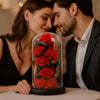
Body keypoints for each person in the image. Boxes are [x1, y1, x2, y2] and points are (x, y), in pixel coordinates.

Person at [0, 0, 54, 94]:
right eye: (45, 18)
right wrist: (12, 88)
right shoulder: (1, 44)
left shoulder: (44, 52)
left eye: (52, 20)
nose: (50, 24)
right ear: (27, 15)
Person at [53, 0, 100, 91]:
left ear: (73, 9)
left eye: (58, 15)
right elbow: (70, 83)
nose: (55, 23)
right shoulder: (71, 45)